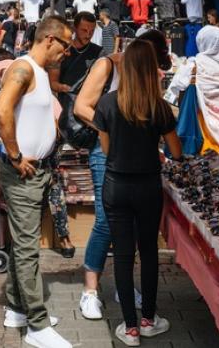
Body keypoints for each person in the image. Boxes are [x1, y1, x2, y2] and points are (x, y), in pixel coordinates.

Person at [74, 29, 173, 321]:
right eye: (152, 60)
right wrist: (115, 133)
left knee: (126, 226)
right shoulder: (107, 65)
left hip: (135, 158)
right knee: (106, 221)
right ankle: (90, 290)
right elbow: (82, 107)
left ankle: (123, 286)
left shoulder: (146, 74)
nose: (154, 69)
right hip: (106, 151)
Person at [93, 39, 181, 346]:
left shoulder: (106, 103)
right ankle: (148, 319)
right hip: (148, 187)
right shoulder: (159, 107)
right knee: (149, 252)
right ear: (151, 69)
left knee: (123, 255)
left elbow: (106, 149)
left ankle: (129, 328)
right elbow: (176, 151)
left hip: (116, 185)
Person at [0, 16, 74, 348]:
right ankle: (37, 327)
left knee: (23, 244)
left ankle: (16, 308)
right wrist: (15, 156)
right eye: (66, 45)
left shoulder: (38, 72)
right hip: (22, 172)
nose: (67, 52)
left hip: (36, 170)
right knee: (28, 249)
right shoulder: (23, 69)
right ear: (50, 39)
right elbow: (1, 111)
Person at [50, 12, 102, 94]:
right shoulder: (61, 51)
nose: (88, 35)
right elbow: (53, 82)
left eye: (92, 31)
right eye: (84, 30)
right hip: (66, 101)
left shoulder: (100, 52)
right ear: (75, 28)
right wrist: (66, 89)